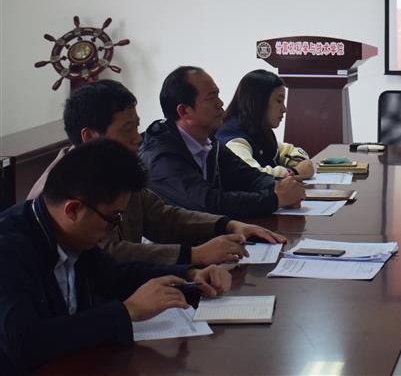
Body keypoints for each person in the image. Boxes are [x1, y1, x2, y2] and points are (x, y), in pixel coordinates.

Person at [0, 139, 231, 373]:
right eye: (114, 217)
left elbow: (115, 276)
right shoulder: (9, 249)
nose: (115, 226)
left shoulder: (70, 234)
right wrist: (127, 311)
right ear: (73, 210)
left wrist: (190, 276)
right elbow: (25, 342)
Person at [27, 80, 285, 266]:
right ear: (90, 136)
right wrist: (192, 256)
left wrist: (226, 225)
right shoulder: (61, 190)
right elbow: (107, 253)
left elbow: (161, 216)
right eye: (127, 129)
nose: (137, 139)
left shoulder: (117, 169)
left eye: (136, 127)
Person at [140, 66, 306, 218]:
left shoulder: (209, 143)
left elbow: (248, 177)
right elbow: (209, 203)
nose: (220, 103)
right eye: (211, 98)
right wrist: (275, 199)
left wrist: (280, 187)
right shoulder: (162, 156)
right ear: (184, 111)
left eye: (218, 95)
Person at [216, 70, 314, 179]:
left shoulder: (258, 131)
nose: (284, 109)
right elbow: (251, 176)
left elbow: (288, 150)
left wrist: (297, 161)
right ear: (258, 101)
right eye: (278, 101)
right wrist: (294, 172)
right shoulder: (233, 138)